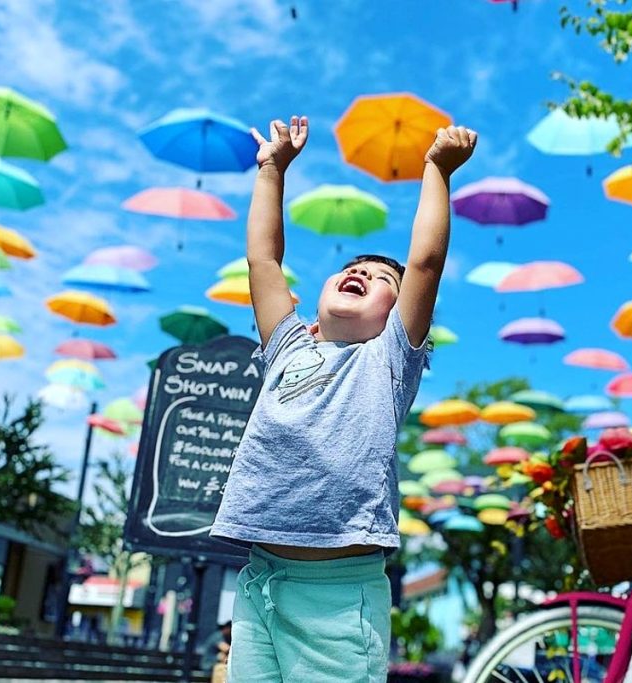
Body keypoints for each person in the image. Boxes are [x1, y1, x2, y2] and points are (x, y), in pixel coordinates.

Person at [210, 114, 477, 682]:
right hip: (260, 582)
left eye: (383, 281)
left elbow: (426, 262)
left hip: (337, 597)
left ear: (398, 318)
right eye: (353, 269)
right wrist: (271, 170)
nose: (362, 274)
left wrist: (436, 169)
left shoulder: (387, 360)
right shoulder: (288, 347)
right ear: (313, 314)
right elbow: (263, 260)